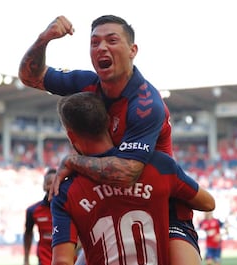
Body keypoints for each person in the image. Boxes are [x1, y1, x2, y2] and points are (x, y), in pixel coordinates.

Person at [19, 15, 200, 264]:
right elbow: (31, 77)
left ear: (132, 50)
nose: (101, 47)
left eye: (112, 40)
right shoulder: (87, 84)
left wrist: (73, 162)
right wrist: (44, 39)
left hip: (161, 209)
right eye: (94, 43)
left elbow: (128, 173)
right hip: (109, 203)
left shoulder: (146, 104)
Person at [50, 92, 216, 265]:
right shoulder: (158, 165)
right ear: (108, 121)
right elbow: (208, 203)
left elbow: (62, 262)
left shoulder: (65, 191)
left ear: (71, 136)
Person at [23, 168, 55, 265]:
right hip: (44, 259)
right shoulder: (33, 211)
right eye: (49, 183)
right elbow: (28, 234)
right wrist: (26, 259)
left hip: (68, 259)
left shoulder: (71, 208)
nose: (52, 186)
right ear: (44, 186)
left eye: (55, 182)